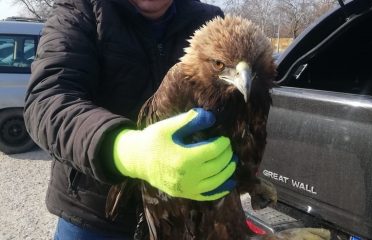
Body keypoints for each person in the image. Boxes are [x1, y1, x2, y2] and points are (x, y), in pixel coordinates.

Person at [24, 0, 236, 239]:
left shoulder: (208, 19)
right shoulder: (80, 8)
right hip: (95, 215)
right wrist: (125, 150)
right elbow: (47, 99)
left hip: (184, 210)